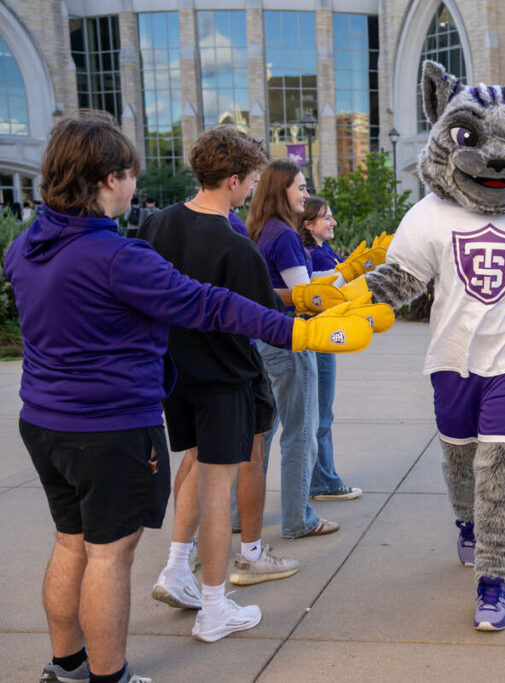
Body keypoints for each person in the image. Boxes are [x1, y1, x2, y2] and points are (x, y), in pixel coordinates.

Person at [5, 111, 371, 683]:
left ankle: (68, 665)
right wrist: (299, 330)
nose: (133, 184)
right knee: (108, 555)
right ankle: (108, 676)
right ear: (107, 179)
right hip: (109, 428)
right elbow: (209, 303)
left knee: (71, 543)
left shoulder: (26, 247)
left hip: (43, 423)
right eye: (128, 173)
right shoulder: (115, 258)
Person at [142, 126, 302, 644]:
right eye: (252, 180)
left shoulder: (155, 225)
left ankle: (174, 569)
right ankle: (214, 607)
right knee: (217, 491)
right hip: (226, 377)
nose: (253, 189)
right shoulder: (236, 246)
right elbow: (268, 317)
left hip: (173, 375)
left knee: (191, 467)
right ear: (233, 180)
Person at [248, 159, 338, 538]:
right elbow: (305, 298)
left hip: (264, 339)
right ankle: (298, 518)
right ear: (281, 189)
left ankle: (240, 516)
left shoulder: (260, 230)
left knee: (262, 434)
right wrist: (343, 295)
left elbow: (282, 287)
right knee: (300, 432)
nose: (305, 194)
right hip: (291, 338)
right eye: (300, 188)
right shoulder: (284, 235)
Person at [298, 197, 363, 502]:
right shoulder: (314, 254)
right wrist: (351, 273)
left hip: (323, 334)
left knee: (319, 412)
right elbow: (325, 293)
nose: (333, 222)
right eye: (326, 218)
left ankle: (319, 478)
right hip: (320, 336)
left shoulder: (321, 251)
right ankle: (323, 481)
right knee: (321, 413)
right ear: (308, 224)